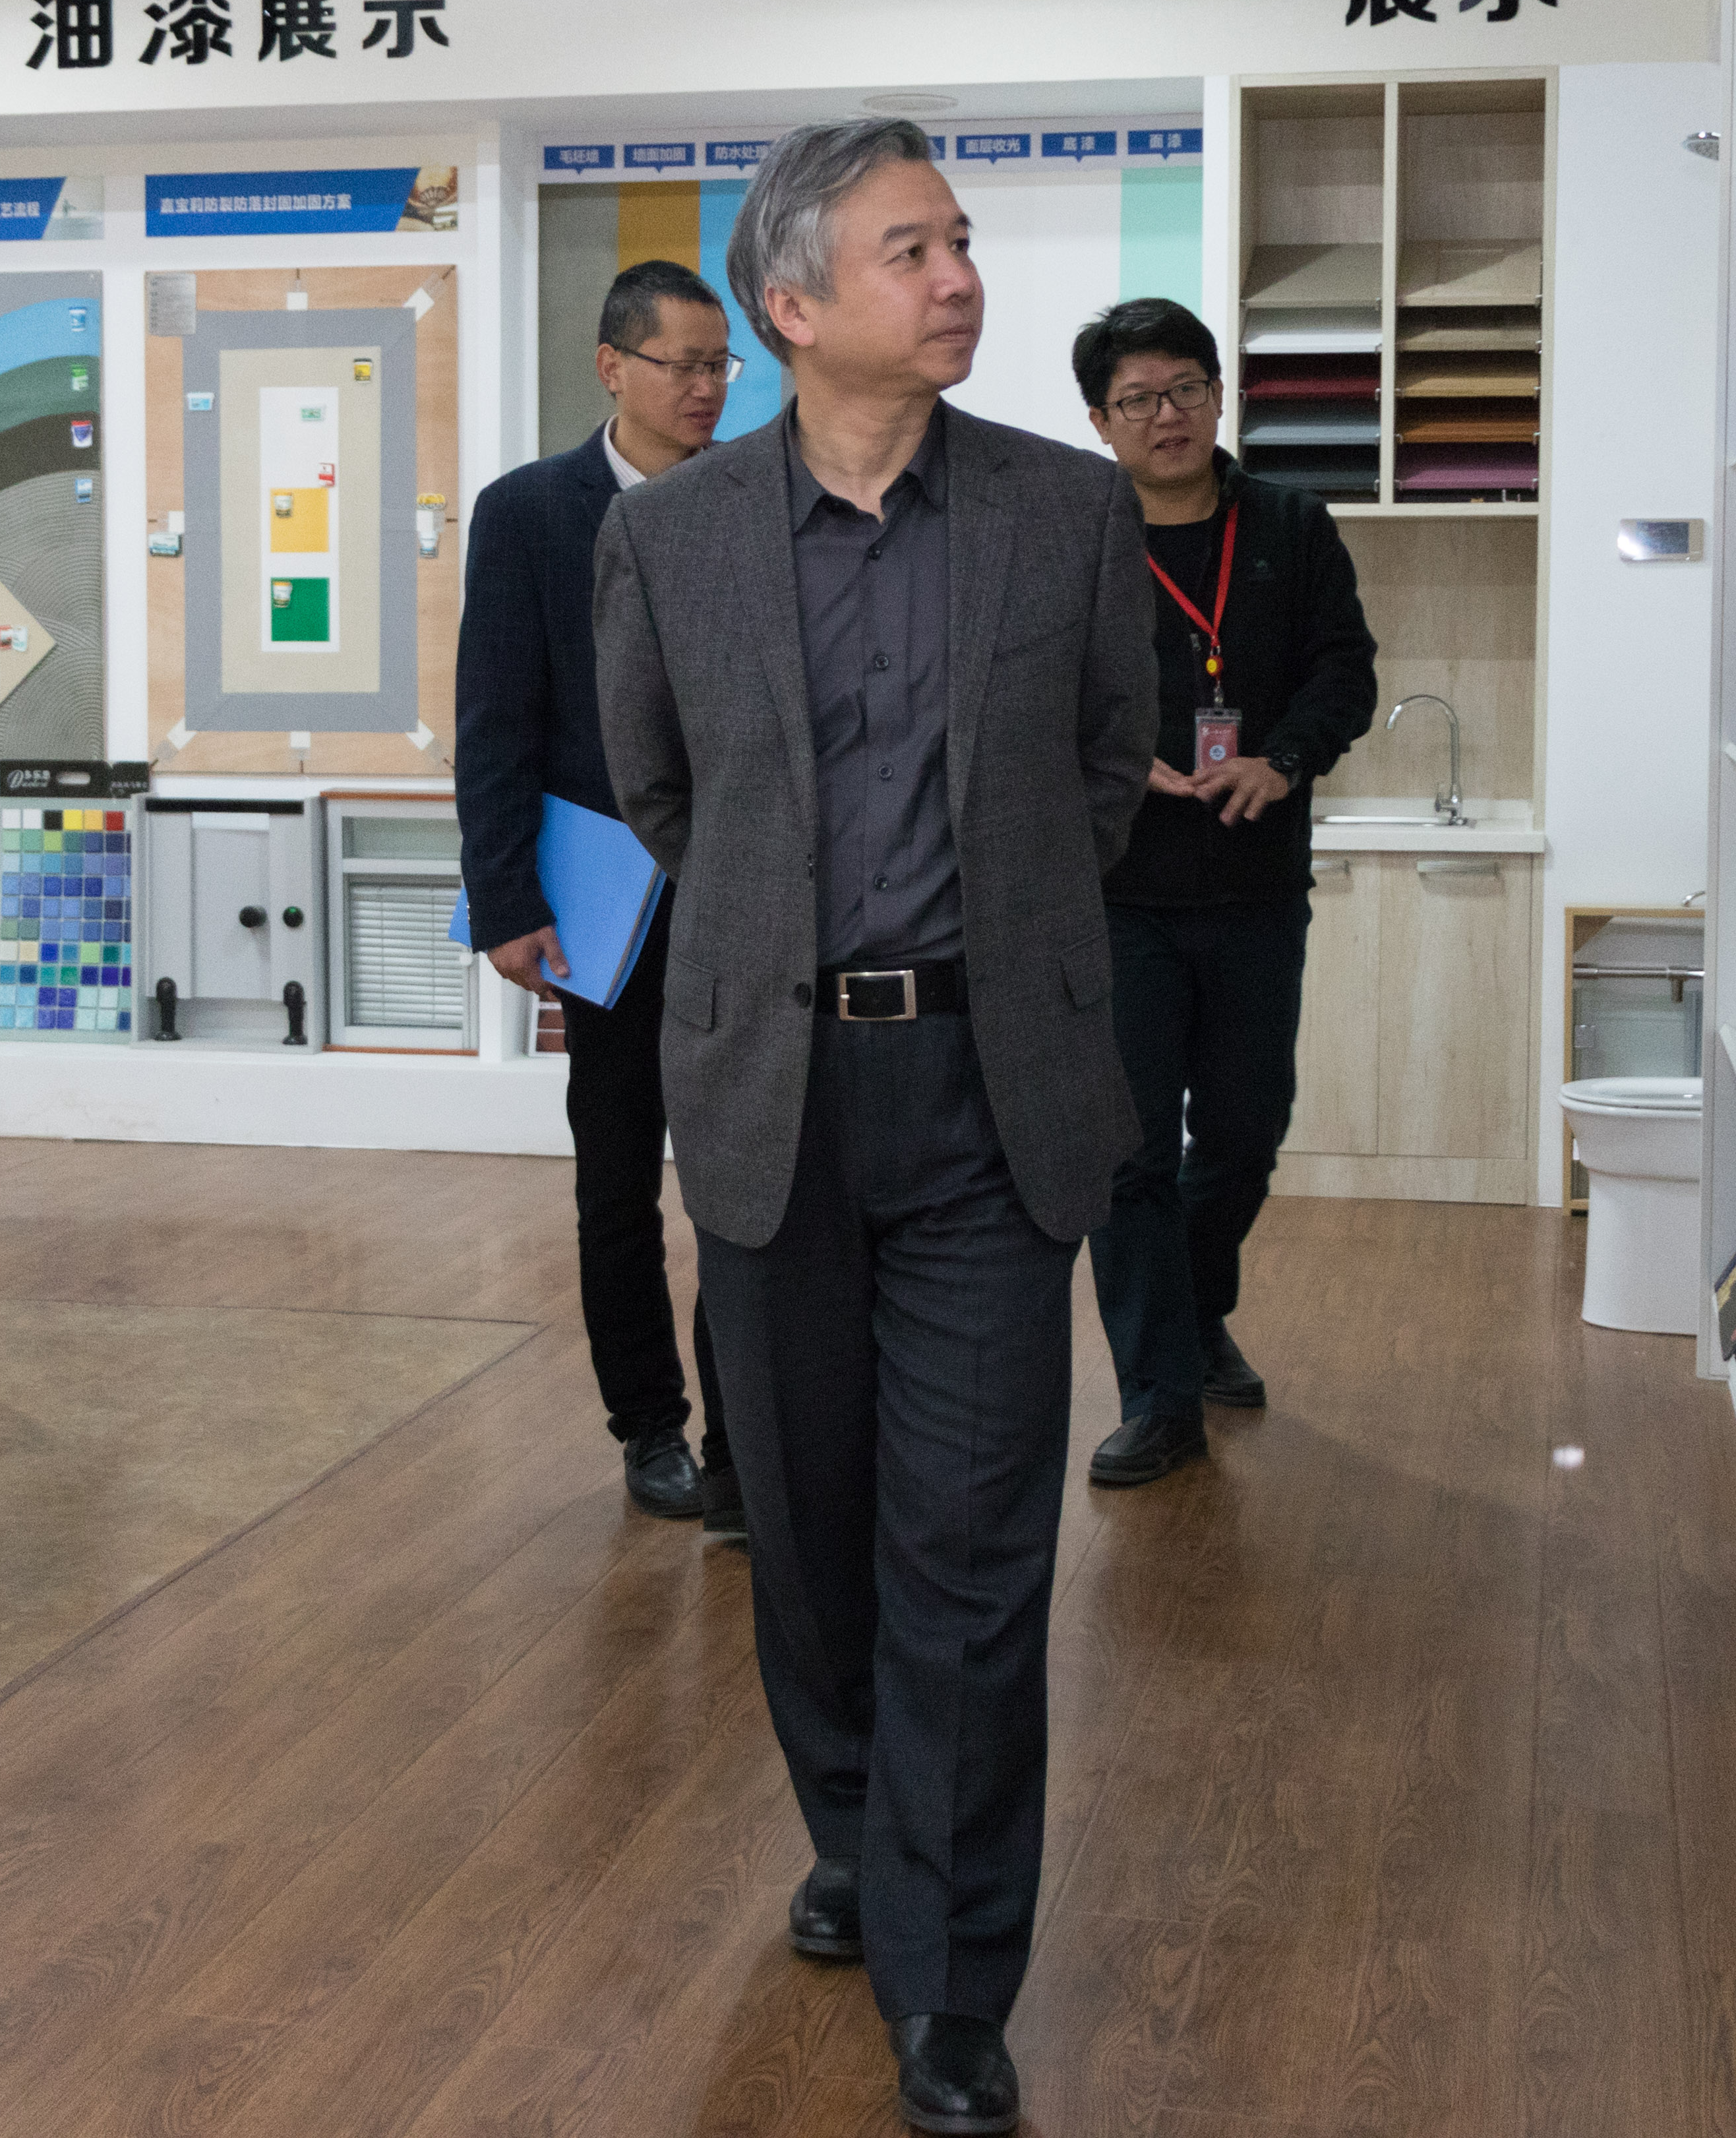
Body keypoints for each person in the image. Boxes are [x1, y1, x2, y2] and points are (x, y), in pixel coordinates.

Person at [593, 117, 1150, 2138]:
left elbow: (1109, 774)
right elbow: (665, 796)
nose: (959, 277)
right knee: (814, 1535)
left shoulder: (1066, 514)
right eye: (912, 249)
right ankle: (855, 1828)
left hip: (994, 1093)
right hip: (778, 1094)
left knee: (976, 1549)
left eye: (962, 241)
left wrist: (987, 932)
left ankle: (952, 1981)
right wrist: (785, 945)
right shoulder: (672, 540)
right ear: (794, 301)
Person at [456, 259, 742, 1536]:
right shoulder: (531, 512)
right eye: (684, 364)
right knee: (617, 1178)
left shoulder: (758, 497)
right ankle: (649, 1424)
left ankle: (745, 1431)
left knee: (746, 1179)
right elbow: (494, 717)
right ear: (612, 366)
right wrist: (505, 899)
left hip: (744, 893)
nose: (707, 388)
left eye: (721, 365)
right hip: (606, 899)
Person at [1073, 297, 1377, 1485]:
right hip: (1121, 895)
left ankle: (1196, 1315)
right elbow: (1030, 696)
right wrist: (1112, 765)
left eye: (1187, 389)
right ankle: (1157, 1394)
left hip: (1254, 887)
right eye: (1139, 399)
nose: (1168, 415)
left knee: (1246, 1136)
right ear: (1100, 421)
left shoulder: (1291, 527)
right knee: (1130, 1154)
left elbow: (1345, 672)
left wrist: (1281, 759)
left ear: (1218, 395)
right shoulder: (1078, 539)